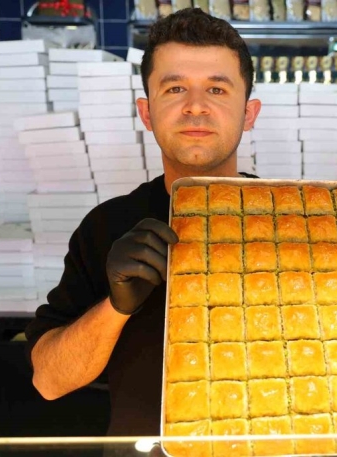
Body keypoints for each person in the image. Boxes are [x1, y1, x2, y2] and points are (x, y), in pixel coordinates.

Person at [25, 8, 261, 437]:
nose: (195, 106)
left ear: (248, 113)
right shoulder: (106, 227)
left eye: (216, 89)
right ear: (147, 112)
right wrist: (115, 308)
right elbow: (49, 381)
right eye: (175, 88)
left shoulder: (298, 221)